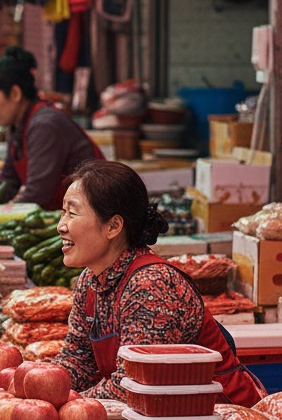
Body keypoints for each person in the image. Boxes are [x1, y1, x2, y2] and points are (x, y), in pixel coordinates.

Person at [55, 160, 266, 406]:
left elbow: (132, 386)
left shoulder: (150, 285)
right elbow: (76, 362)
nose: (61, 226)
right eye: (62, 212)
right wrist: (38, 389)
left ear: (113, 226)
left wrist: (67, 404)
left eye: (72, 213)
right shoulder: (90, 281)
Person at [0, 46, 102, 218]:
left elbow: (36, 196)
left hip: (92, 217)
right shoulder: (19, 126)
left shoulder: (44, 126)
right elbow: (6, 183)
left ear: (15, 93)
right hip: (65, 218)